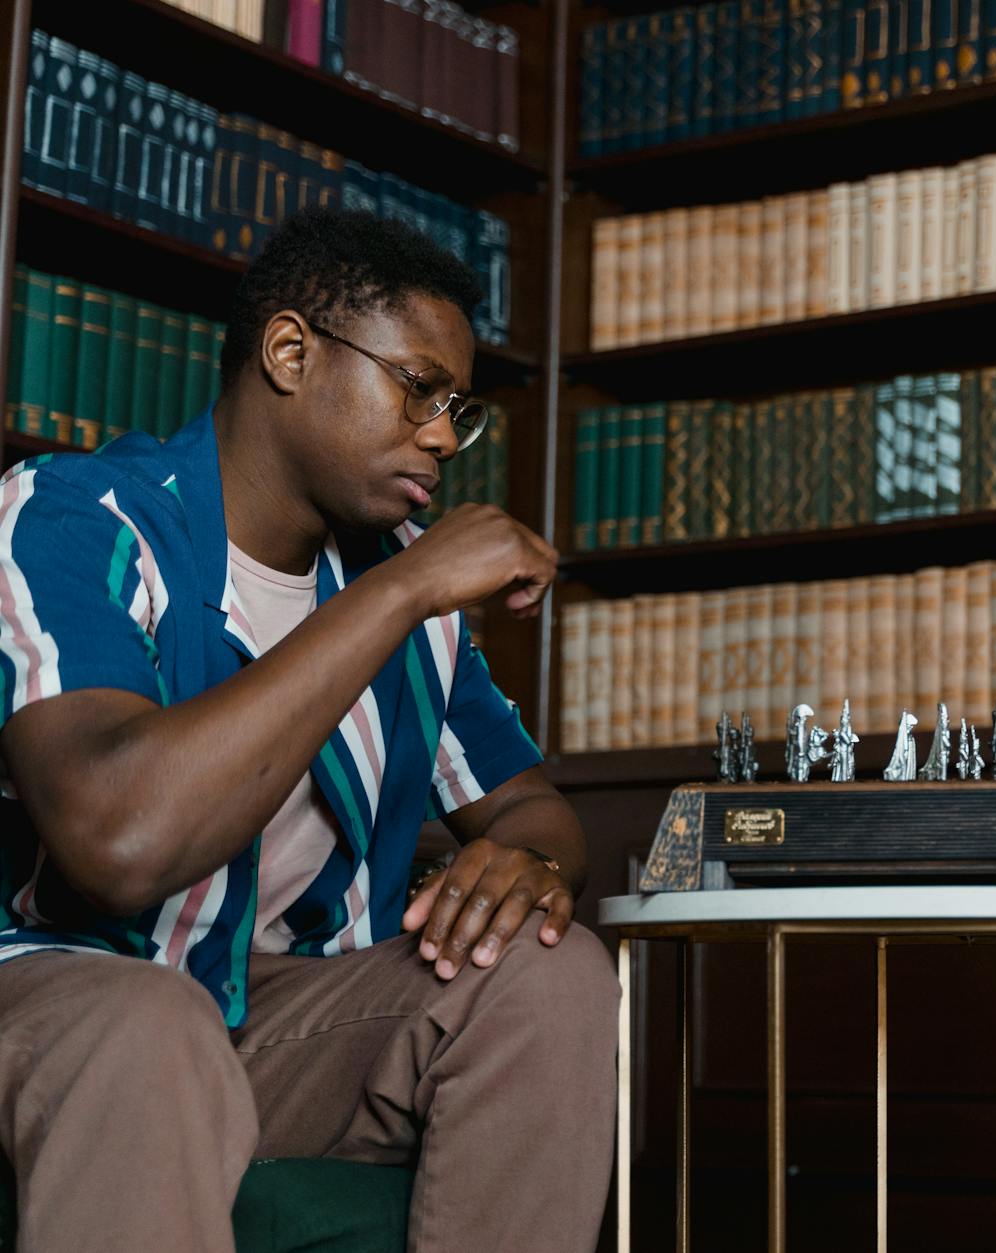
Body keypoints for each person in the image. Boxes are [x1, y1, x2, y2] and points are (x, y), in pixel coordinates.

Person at [0, 208, 619, 1252]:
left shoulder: (401, 585)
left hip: (277, 1016)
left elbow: (527, 805)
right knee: (151, 1024)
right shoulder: (76, 521)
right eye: (417, 388)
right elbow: (118, 842)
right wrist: (403, 590)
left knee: (552, 976)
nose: (441, 436)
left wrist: (527, 867)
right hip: (62, 985)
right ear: (290, 353)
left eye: (456, 410)